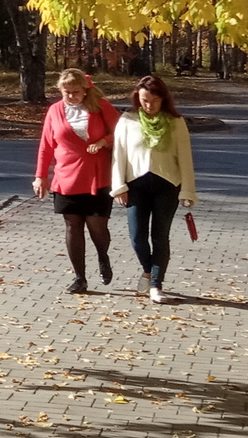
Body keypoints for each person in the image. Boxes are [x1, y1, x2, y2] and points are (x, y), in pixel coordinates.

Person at [33, 68, 123, 294]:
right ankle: (79, 277)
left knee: (97, 225)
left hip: (97, 175)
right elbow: (46, 146)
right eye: (66, 92)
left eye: (75, 92)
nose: (71, 96)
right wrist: (40, 176)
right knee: (73, 226)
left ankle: (103, 257)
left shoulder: (101, 106)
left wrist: (103, 142)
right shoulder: (54, 111)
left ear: (85, 90)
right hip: (66, 177)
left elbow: (123, 133)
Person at [110, 74, 198, 304]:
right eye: (144, 100)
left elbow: (185, 158)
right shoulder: (127, 120)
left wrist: (187, 191)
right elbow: (118, 155)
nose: (149, 105)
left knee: (160, 236)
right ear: (137, 98)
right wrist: (119, 186)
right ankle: (148, 271)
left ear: (163, 99)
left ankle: (156, 284)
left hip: (167, 185)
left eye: (154, 100)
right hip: (136, 186)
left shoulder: (175, 121)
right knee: (137, 236)